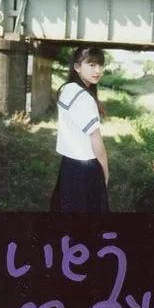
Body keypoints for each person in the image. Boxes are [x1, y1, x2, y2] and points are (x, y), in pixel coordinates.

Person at [51, 44, 109, 213]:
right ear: (77, 67)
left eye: (100, 65)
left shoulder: (68, 89)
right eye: (91, 64)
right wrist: (105, 173)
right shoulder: (83, 98)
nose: (98, 70)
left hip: (69, 164)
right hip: (86, 168)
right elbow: (96, 141)